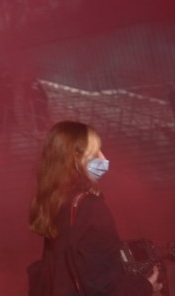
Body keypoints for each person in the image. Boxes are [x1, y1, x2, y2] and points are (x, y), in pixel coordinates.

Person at [28, 121, 163, 295]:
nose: (104, 159)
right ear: (75, 159)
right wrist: (146, 286)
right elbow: (104, 288)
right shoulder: (89, 208)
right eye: (95, 152)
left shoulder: (55, 201)